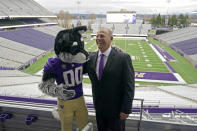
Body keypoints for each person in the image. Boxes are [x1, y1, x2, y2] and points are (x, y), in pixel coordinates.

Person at [84, 27, 135, 131]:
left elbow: (129, 85)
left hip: (117, 111)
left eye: (102, 36)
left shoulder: (123, 58)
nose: (98, 38)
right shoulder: (90, 57)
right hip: (99, 109)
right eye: (97, 36)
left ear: (111, 38)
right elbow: (75, 68)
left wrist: (126, 109)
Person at [39, 26, 89, 131]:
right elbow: (44, 85)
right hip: (64, 103)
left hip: (80, 100)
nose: (82, 54)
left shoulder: (80, 61)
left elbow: (96, 61)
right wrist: (58, 91)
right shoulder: (54, 64)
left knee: (85, 126)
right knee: (66, 127)